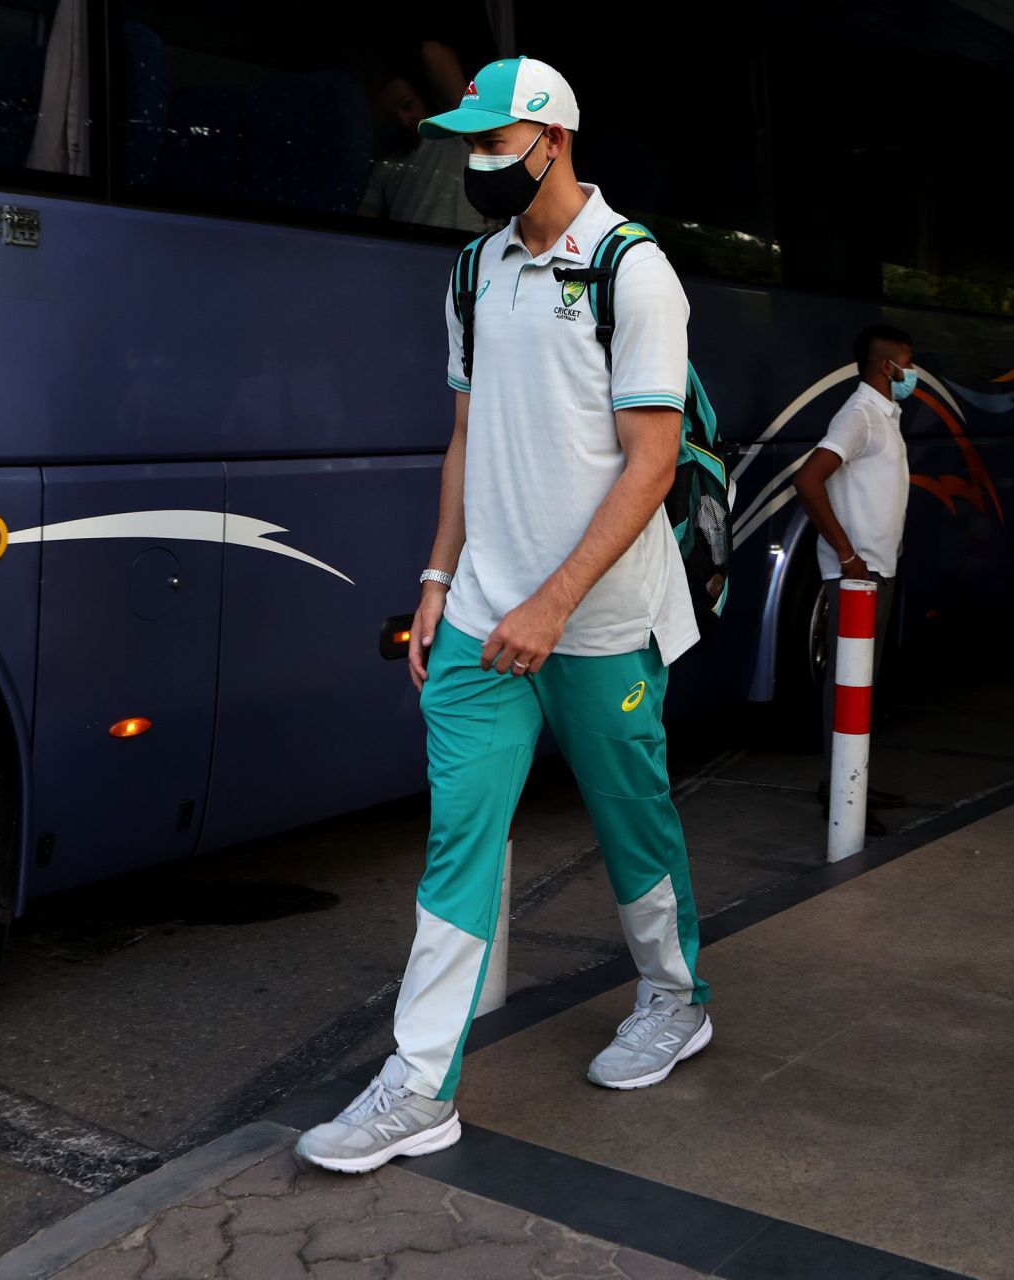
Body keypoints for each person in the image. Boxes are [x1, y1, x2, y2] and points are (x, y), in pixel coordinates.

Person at [297, 56, 709, 1174]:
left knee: (634, 820)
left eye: (493, 144)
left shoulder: (634, 271)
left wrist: (555, 601)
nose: (475, 164)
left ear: (553, 140)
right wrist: (440, 582)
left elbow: (653, 460)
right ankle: (419, 1084)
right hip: (486, 614)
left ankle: (673, 996)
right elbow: (467, 438)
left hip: (602, 616)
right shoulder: (476, 270)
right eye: (466, 146)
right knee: (458, 835)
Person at [791, 325, 915, 837]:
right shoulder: (860, 415)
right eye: (909, 363)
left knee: (862, 685)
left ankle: (852, 782)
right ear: (887, 367)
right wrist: (847, 555)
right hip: (857, 578)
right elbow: (808, 478)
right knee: (846, 685)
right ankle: (840, 793)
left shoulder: (885, 414)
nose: (914, 374)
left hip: (877, 571)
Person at [358, 41, 485, 232]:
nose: (403, 120)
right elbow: (362, 228)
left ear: (422, 96)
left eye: (407, 105)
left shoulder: (455, 133)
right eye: (392, 116)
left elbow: (432, 53)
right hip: (411, 257)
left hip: (463, 253)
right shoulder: (385, 168)